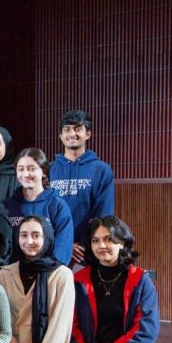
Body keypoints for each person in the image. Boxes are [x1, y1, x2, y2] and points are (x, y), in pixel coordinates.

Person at [49, 110, 116, 264]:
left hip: (87, 252)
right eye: (67, 129)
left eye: (77, 129)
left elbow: (103, 215)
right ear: (60, 136)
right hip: (54, 251)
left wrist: (85, 244)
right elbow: (44, 212)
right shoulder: (49, 169)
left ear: (88, 134)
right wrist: (64, 244)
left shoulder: (101, 170)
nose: (72, 133)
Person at [4, 148, 74, 266]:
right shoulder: (7, 206)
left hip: (48, 273)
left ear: (44, 171)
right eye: (21, 169)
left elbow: (63, 248)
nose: (26, 174)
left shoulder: (57, 205)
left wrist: (47, 271)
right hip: (13, 274)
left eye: (32, 169)